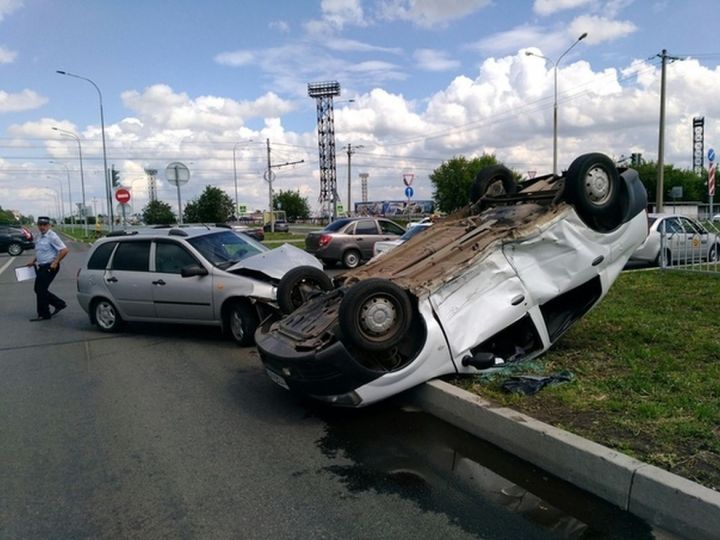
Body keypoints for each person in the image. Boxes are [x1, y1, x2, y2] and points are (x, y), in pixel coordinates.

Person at [27, 216, 69, 321]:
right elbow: (40, 251)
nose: (42, 227)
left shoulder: (52, 236)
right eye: (40, 225)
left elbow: (64, 250)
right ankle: (59, 303)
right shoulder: (40, 236)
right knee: (38, 289)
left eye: (44, 225)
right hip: (41, 266)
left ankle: (44, 314)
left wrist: (55, 262)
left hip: (50, 266)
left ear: (49, 225)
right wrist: (33, 261)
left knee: (41, 289)